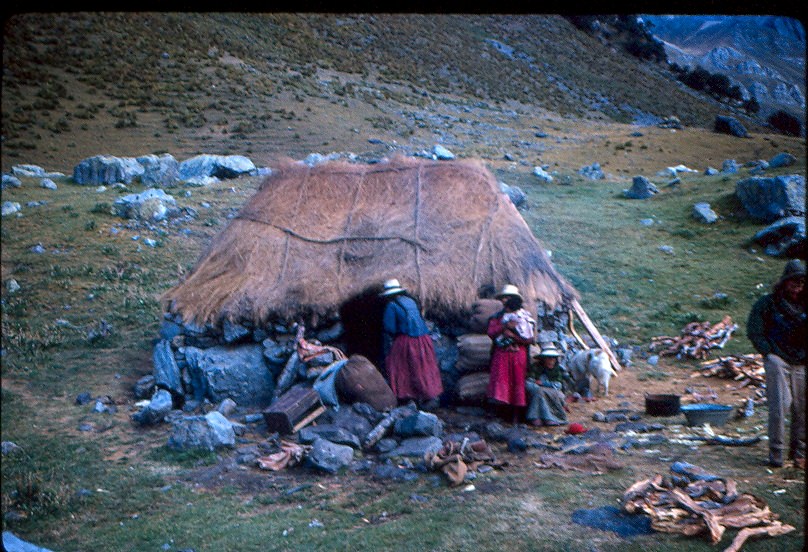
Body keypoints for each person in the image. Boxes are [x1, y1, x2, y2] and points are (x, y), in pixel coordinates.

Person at [747, 259, 806, 468]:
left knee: (802, 407)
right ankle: (777, 454)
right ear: (784, 282)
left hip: (801, 361)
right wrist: (769, 352)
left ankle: (799, 453)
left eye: (801, 283)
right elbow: (754, 330)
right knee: (781, 404)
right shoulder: (767, 303)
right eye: (793, 283)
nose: (797, 287)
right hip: (777, 359)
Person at [380, 278, 443, 409]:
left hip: (407, 340)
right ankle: (428, 394)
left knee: (399, 365)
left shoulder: (391, 306)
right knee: (423, 366)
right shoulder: (410, 301)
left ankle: (406, 394)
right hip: (424, 339)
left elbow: (389, 328)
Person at [486, 284, 536, 424]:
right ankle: (499, 413)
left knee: (517, 382)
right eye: (503, 298)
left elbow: (530, 339)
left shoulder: (525, 317)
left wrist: (514, 337)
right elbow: (491, 332)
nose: (504, 300)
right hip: (502, 353)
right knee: (500, 381)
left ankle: (515, 416)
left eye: (507, 297)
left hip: (518, 355)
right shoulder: (497, 317)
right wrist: (504, 327)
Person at [525, 343, 569, 427]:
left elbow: (558, 385)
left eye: (553, 358)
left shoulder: (557, 369)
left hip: (553, 391)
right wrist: (537, 385)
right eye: (549, 358)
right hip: (536, 389)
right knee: (539, 392)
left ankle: (550, 418)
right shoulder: (536, 367)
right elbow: (529, 381)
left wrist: (544, 384)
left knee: (547, 393)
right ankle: (535, 417)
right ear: (543, 359)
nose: (551, 361)